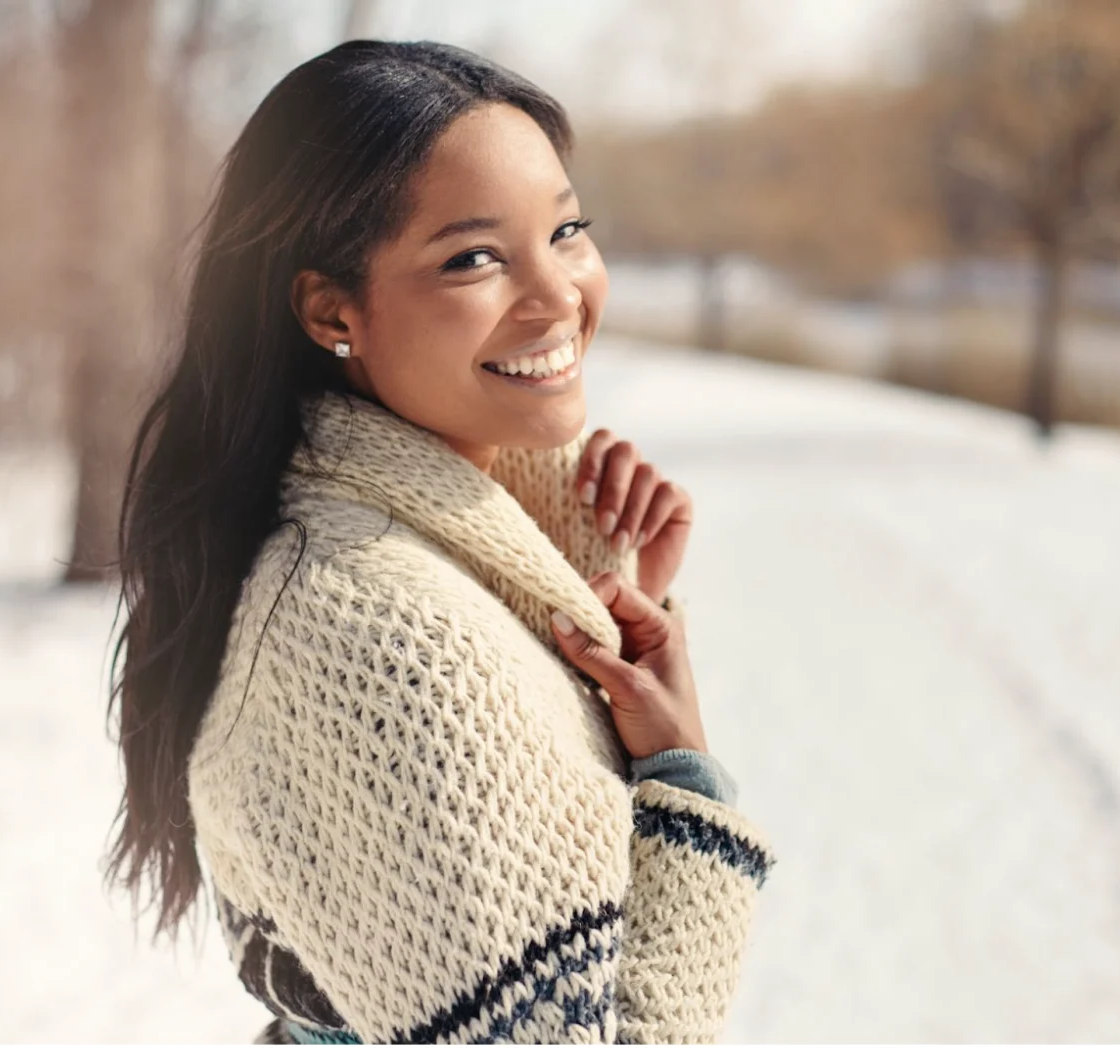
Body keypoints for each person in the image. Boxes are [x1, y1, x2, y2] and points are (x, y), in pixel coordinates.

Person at [102, 39, 775, 1045]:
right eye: (474, 257)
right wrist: (683, 778)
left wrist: (597, 591)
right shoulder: (367, 619)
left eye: (566, 230)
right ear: (332, 309)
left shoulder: (415, 553)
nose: (557, 297)